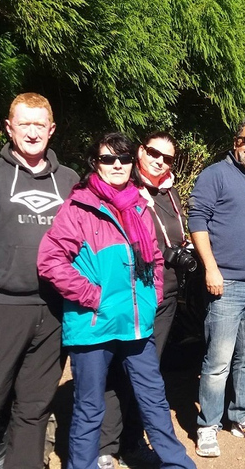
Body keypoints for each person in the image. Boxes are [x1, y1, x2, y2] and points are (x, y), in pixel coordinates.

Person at [37, 133, 196, 469]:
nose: (117, 165)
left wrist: (152, 296)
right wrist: (93, 296)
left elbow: (153, 257)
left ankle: (177, 464)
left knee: (153, 399)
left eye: (123, 159)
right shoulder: (78, 208)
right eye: (109, 159)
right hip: (94, 324)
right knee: (90, 407)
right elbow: (50, 261)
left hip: (136, 324)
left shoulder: (137, 206)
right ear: (95, 163)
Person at [0, 93, 79, 469]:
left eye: (40, 125)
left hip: (53, 312)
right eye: (25, 124)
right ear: (9, 128)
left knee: (35, 409)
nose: (33, 133)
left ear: (51, 130)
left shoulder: (70, 182)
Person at [98, 132, 186, 468]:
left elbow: (171, 234)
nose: (159, 160)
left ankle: (132, 441)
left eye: (167, 158)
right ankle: (105, 445)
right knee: (117, 369)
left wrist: (182, 250)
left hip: (166, 296)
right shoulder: (123, 188)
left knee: (147, 372)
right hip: (131, 295)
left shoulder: (170, 192)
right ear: (140, 152)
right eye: (153, 153)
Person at [189, 119, 245, 457]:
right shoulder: (214, 175)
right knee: (218, 361)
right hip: (227, 283)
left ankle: (243, 416)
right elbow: (197, 221)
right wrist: (211, 268)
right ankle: (208, 425)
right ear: (235, 141)